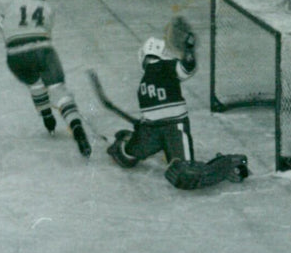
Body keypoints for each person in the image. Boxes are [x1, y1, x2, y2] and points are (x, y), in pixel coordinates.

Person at [106, 16, 249, 190]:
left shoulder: (166, 67)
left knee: (128, 157)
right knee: (181, 170)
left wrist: (189, 50)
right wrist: (188, 50)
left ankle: (225, 164)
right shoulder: (155, 75)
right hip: (166, 129)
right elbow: (187, 67)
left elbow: (186, 67)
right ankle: (127, 141)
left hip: (168, 129)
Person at [0, 0, 91, 157]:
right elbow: (39, 30)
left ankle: (47, 118)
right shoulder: (48, 9)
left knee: (35, 83)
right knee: (59, 90)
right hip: (43, 50)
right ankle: (76, 127)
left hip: (16, 55)